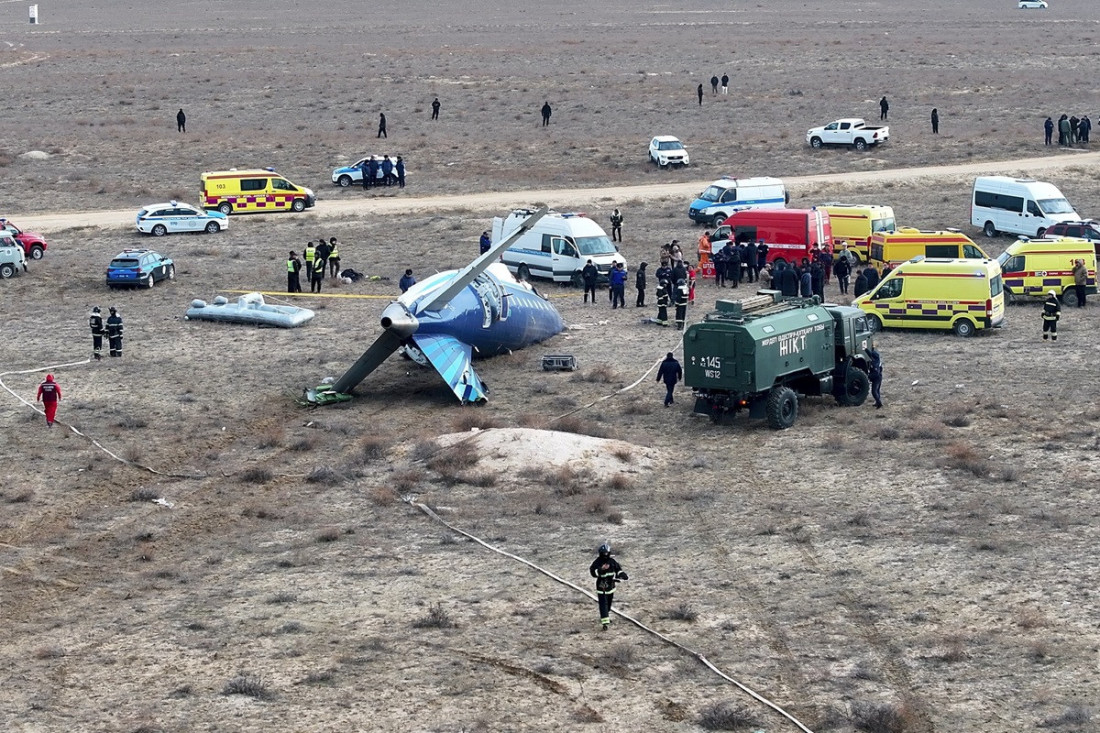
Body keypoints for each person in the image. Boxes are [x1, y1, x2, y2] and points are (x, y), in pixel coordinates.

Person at [589, 543, 627, 630]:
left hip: (610, 586)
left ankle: (607, 614)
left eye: (607, 553)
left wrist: (622, 574)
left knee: (609, 603)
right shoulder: (597, 562)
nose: (605, 555)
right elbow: (593, 572)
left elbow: (618, 569)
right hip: (601, 586)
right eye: (604, 553)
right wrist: (601, 570)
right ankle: (605, 622)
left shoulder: (612, 561)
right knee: (603, 604)